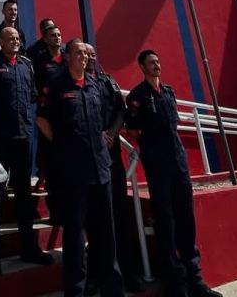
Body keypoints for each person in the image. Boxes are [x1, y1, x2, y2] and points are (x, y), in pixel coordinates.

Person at [125, 51, 221, 297]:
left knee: (186, 221)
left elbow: (173, 124)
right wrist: (153, 149)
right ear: (141, 67)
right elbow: (134, 132)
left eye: (158, 61)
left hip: (179, 164)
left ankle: (195, 280)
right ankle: (176, 284)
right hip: (158, 167)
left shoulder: (167, 92)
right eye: (151, 63)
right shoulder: (137, 97)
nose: (157, 65)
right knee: (166, 223)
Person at [37, 38, 125, 297]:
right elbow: (42, 120)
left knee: (106, 236)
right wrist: (64, 143)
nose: (84, 57)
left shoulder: (97, 85)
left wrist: (106, 135)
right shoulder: (55, 85)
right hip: (73, 173)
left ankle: (112, 289)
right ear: (66, 57)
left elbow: (113, 113)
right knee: (75, 236)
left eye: (86, 54)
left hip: (101, 169)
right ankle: (76, 291)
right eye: (78, 53)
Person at [0, 26, 53, 275]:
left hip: (23, 139)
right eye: (10, 38)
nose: (15, 41)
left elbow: (31, 98)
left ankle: (29, 248)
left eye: (18, 38)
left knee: (24, 198)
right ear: (0, 41)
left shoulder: (26, 65)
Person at [86, 44, 145, 294]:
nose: (89, 57)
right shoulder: (73, 82)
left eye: (92, 54)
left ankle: (128, 273)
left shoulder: (108, 81)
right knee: (95, 220)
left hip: (111, 159)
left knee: (119, 217)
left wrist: (110, 134)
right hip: (88, 160)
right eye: (84, 53)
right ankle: (96, 275)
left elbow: (121, 111)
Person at [30, 20, 64, 195]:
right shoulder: (39, 60)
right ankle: (42, 178)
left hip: (66, 111)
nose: (57, 38)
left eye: (58, 35)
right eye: (53, 35)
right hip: (47, 112)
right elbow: (33, 83)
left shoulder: (67, 57)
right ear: (45, 39)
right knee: (46, 150)